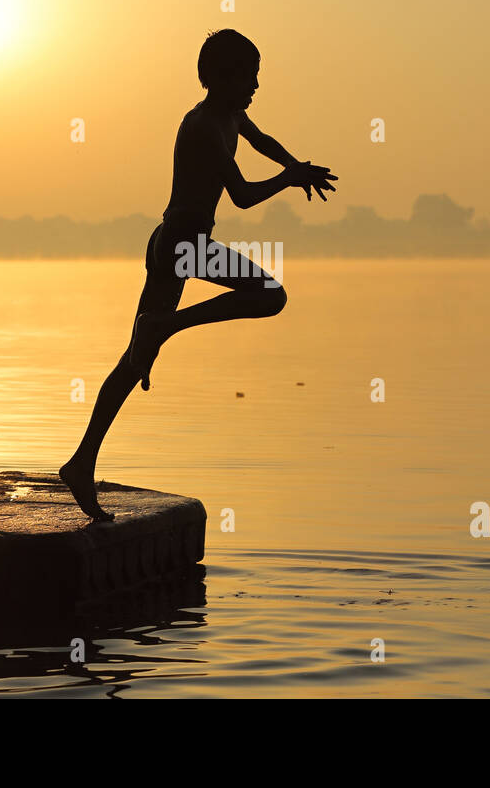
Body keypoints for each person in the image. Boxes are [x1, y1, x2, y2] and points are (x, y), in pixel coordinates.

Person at [59, 29, 338, 521]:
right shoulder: (204, 127)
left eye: (257, 77)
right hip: (183, 248)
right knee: (270, 295)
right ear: (222, 78)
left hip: (172, 242)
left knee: (135, 359)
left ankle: (81, 464)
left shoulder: (231, 113)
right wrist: (290, 179)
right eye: (249, 77)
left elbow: (261, 139)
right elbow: (244, 196)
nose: (255, 87)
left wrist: (297, 165)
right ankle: (166, 327)